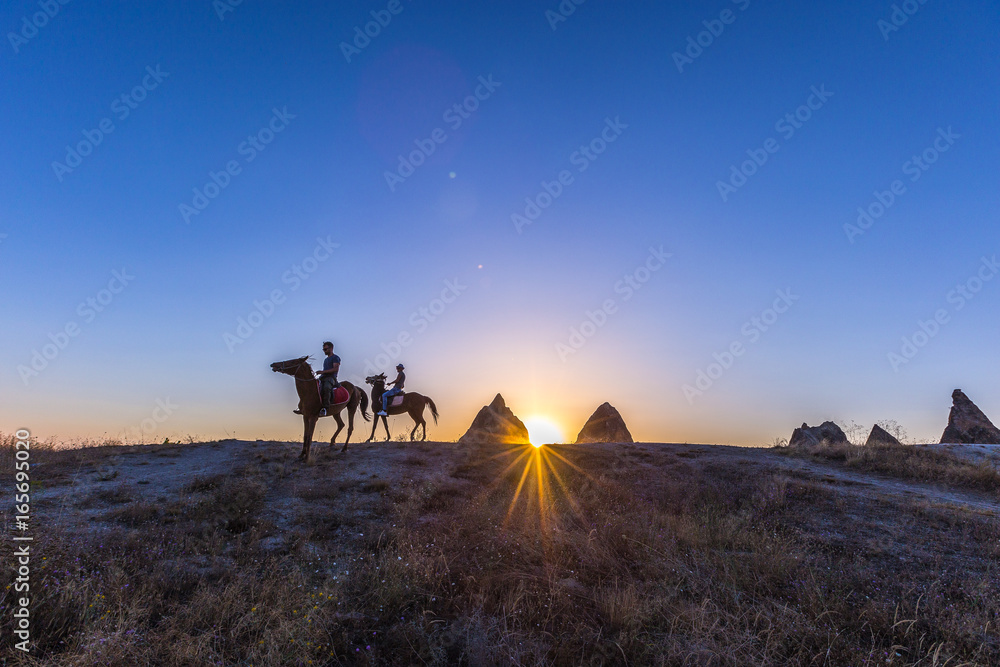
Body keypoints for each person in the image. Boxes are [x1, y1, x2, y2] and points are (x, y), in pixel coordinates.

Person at [317, 341, 341, 417]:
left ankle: (325, 408)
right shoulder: (325, 360)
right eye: (323, 349)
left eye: (326, 349)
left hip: (331, 378)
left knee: (326, 387)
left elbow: (335, 369)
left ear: (331, 348)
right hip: (323, 377)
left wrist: (322, 372)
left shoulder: (335, 358)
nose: (324, 351)